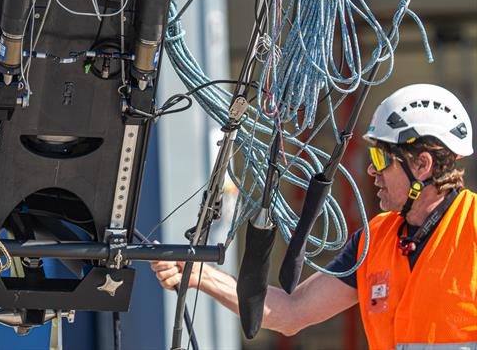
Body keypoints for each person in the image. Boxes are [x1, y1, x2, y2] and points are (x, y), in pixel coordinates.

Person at [151, 84, 477, 348]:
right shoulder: (375, 239)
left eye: (381, 158)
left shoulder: (472, 228)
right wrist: (199, 276)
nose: (371, 171)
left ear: (421, 165)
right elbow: (292, 314)